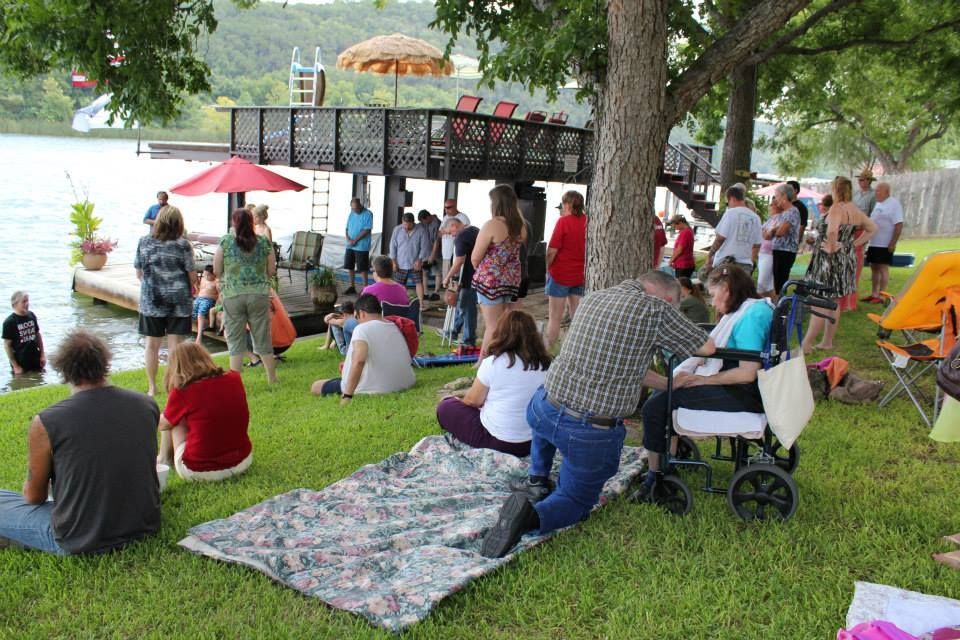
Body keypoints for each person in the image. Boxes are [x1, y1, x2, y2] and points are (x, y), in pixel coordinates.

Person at [480, 271, 714, 558]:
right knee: (576, 501)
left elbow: (629, 368)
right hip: (587, 430)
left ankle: (537, 479)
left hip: (542, 408)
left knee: (546, 427)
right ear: (667, 298)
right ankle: (529, 519)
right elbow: (707, 347)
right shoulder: (657, 310)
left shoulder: (596, 297)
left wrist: (669, 382)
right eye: (675, 305)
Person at [0, 330, 160, 554]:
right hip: (144, 524)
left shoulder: (48, 421)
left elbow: (33, 497)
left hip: (79, 538)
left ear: (63, 369)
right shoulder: (146, 404)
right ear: (105, 362)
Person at [636, 265, 774, 500]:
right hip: (742, 388)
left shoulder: (751, 317)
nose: (712, 302)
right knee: (663, 395)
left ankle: (655, 475)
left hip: (743, 392)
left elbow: (747, 372)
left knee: (654, 406)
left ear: (727, 290)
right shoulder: (752, 308)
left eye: (713, 294)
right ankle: (666, 461)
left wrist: (704, 379)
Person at [437, 310, 550, 456]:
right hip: (533, 442)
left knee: (446, 406)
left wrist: (457, 401)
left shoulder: (493, 363)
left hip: (497, 442)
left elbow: (472, 401)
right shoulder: (547, 365)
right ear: (534, 335)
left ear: (501, 332)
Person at [802, 176, 877, 353]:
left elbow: (833, 229)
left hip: (829, 261)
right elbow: (872, 228)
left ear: (836, 189)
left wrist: (831, 246)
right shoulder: (855, 210)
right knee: (834, 300)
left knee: (819, 300)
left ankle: (806, 343)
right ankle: (827, 341)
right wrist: (851, 245)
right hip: (845, 259)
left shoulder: (837, 208)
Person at [157, 342, 252, 482]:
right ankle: (165, 458)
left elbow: (163, 425)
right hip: (243, 461)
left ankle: (164, 458)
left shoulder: (183, 392)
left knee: (171, 419)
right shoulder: (234, 378)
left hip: (199, 470)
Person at [134, 205, 198, 396]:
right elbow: (192, 275)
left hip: (151, 300)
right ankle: (174, 384)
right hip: (179, 300)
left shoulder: (144, 242)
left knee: (151, 345)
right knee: (175, 346)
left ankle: (152, 387)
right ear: (179, 223)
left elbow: (139, 272)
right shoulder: (183, 245)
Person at [310, 294, 415, 400]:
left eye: (356, 317)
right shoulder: (394, 326)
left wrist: (347, 395)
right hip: (406, 381)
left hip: (378, 387)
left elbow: (359, 361)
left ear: (362, 313)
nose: (357, 321)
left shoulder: (362, 329)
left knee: (316, 386)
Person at [214, 208, 277, 383]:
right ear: (251, 222)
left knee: (235, 338)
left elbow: (217, 270)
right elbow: (271, 271)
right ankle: (272, 378)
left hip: (233, 295)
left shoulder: (226, 242)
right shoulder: (264, 242)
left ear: (234, 223)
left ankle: (235, 381)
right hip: (258, 295)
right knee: (262, 336)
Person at [472, 184, 528, 359]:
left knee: (492, 326)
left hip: (490, 283)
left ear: (495, 204)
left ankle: (483, 363)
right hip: (511, 282)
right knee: (511, 323)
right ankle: (511, 357)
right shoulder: (522, 226)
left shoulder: (491, 225)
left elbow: (475, 257)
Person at [544, 190, 587, 349]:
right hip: (580, 275)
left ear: (568, 204)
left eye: (563, 203)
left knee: (555, 317)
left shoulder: (563, 222)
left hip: (561, 274)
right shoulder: (588, 221)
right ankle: (575, 350)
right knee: (577, 316)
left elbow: (552, 250)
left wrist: (547, 268)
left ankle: (546, 351)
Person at [441, 214, 479, 346]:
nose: (451, 236)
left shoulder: (461, 237)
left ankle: (469, 340)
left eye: (450, 233)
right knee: (461, 304)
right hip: (475, 275)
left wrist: (447, 277)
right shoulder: (474, 230)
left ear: (454, 226)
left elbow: (459, 262)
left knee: (467, 308)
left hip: (469, 277)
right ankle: (453, 331)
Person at [706, 185, 762, 273]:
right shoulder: (756, 218)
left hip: (726, 263)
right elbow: (757, 244)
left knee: (707, 279)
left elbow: (720, 238)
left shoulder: (730, 213)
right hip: (745, 265)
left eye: (727, 203)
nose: (728, 205)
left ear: (732, 198)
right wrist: (751, 261)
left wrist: (710, 256)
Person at [864, 182, 904, 304]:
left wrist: (893, 242)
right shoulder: (878, 204)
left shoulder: (894, 204)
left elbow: (899, 224)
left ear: (887, 192)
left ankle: (882, 295)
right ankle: (874, 293)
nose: (876, 193)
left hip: (885, 243)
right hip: (874, 241)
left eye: (879, 191)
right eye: (876, 191)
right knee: (873, 266)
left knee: (882, 267)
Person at [766, 183, 801, 298]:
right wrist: (773, 230)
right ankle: (778, 304)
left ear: (784, 196)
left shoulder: (792, 211)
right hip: (778, 249)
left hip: (786, 251)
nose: (775, 200)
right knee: (776, 280)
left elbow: (781, 231)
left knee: (780, 280)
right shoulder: (783, 213)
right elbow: (768, 233)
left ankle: (781, 306)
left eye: (777, 196)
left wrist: (773, 230)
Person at [389, 212, 432, 307]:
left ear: (413, 222)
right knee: (398, 285)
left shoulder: (421, 230)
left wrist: (420, 260)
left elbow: (425, 247)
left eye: (409, 225)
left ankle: (421, 303)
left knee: (418, 282)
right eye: (404, 224)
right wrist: (394, 261)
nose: (406, 227)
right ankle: (399, 302)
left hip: (415, 263)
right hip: (400, 262)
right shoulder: (397, 229)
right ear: (402, 222)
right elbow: (392, 246)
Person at [3, 291, 45, 375]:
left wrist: (42, 354)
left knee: (39, 380)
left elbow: (37, 335)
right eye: (24, 301)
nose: (27, 303)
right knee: (21, 383)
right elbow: (7, 345)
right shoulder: (9, 322)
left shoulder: (31, 315)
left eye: (27, 301)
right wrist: (15, 366)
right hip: (20, 360)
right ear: (15, 304)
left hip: (35, 357)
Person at [344, 198, 373, 294]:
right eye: (353, 208)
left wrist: (355, 240)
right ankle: (352, 286)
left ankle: (365, 288)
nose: (354, 210)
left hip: (361, 245)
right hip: (350, 244)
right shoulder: (351, 213)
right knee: (349, 265)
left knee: (362, 268)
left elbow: (367, 229)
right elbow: (347, 228)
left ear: (360, 205)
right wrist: (348, 239)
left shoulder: (368, 213)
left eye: (356, 208)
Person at [417, 209, 442, 301]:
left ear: (427, 217)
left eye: (423, 221)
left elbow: (437, 241)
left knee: (437, 272)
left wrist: (433, 255)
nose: (423, 223)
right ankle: (425, 293)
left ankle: (436, 292)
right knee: (424, 272)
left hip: (437, 252)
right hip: (426, 251)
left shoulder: (437, 224)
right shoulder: (425, 224)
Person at [757, 199, 779, 298]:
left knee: (763, 282)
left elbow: (767, 235)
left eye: (772, 205)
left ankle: (765, 302)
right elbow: (762, 233)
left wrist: (766, 232)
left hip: (770, 253)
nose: (770, 207)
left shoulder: (779, 220)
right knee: (765, 282)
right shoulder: (770, 219)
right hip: (763, 252)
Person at [192, 265, 218, 343]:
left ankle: (199, 337)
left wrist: (212, 298)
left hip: (208, 300)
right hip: (198, 299)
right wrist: (197, 291)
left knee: (200, 314)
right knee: (190, 312)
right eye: (205, 274)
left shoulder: (216, 282)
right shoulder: (203, 279)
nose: (206, 276)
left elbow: (220, 295)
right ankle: (201, 328)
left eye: (208, 275)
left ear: (213, 274)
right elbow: (196, 284)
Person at [668, 214, 695, 279]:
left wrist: (671, 260)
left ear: (679, 223)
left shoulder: (685, 233)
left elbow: (679, 249)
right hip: (687, 264)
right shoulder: (689, 230)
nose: (675, 228)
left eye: (675, 226)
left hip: (683, 265)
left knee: (681, 285)